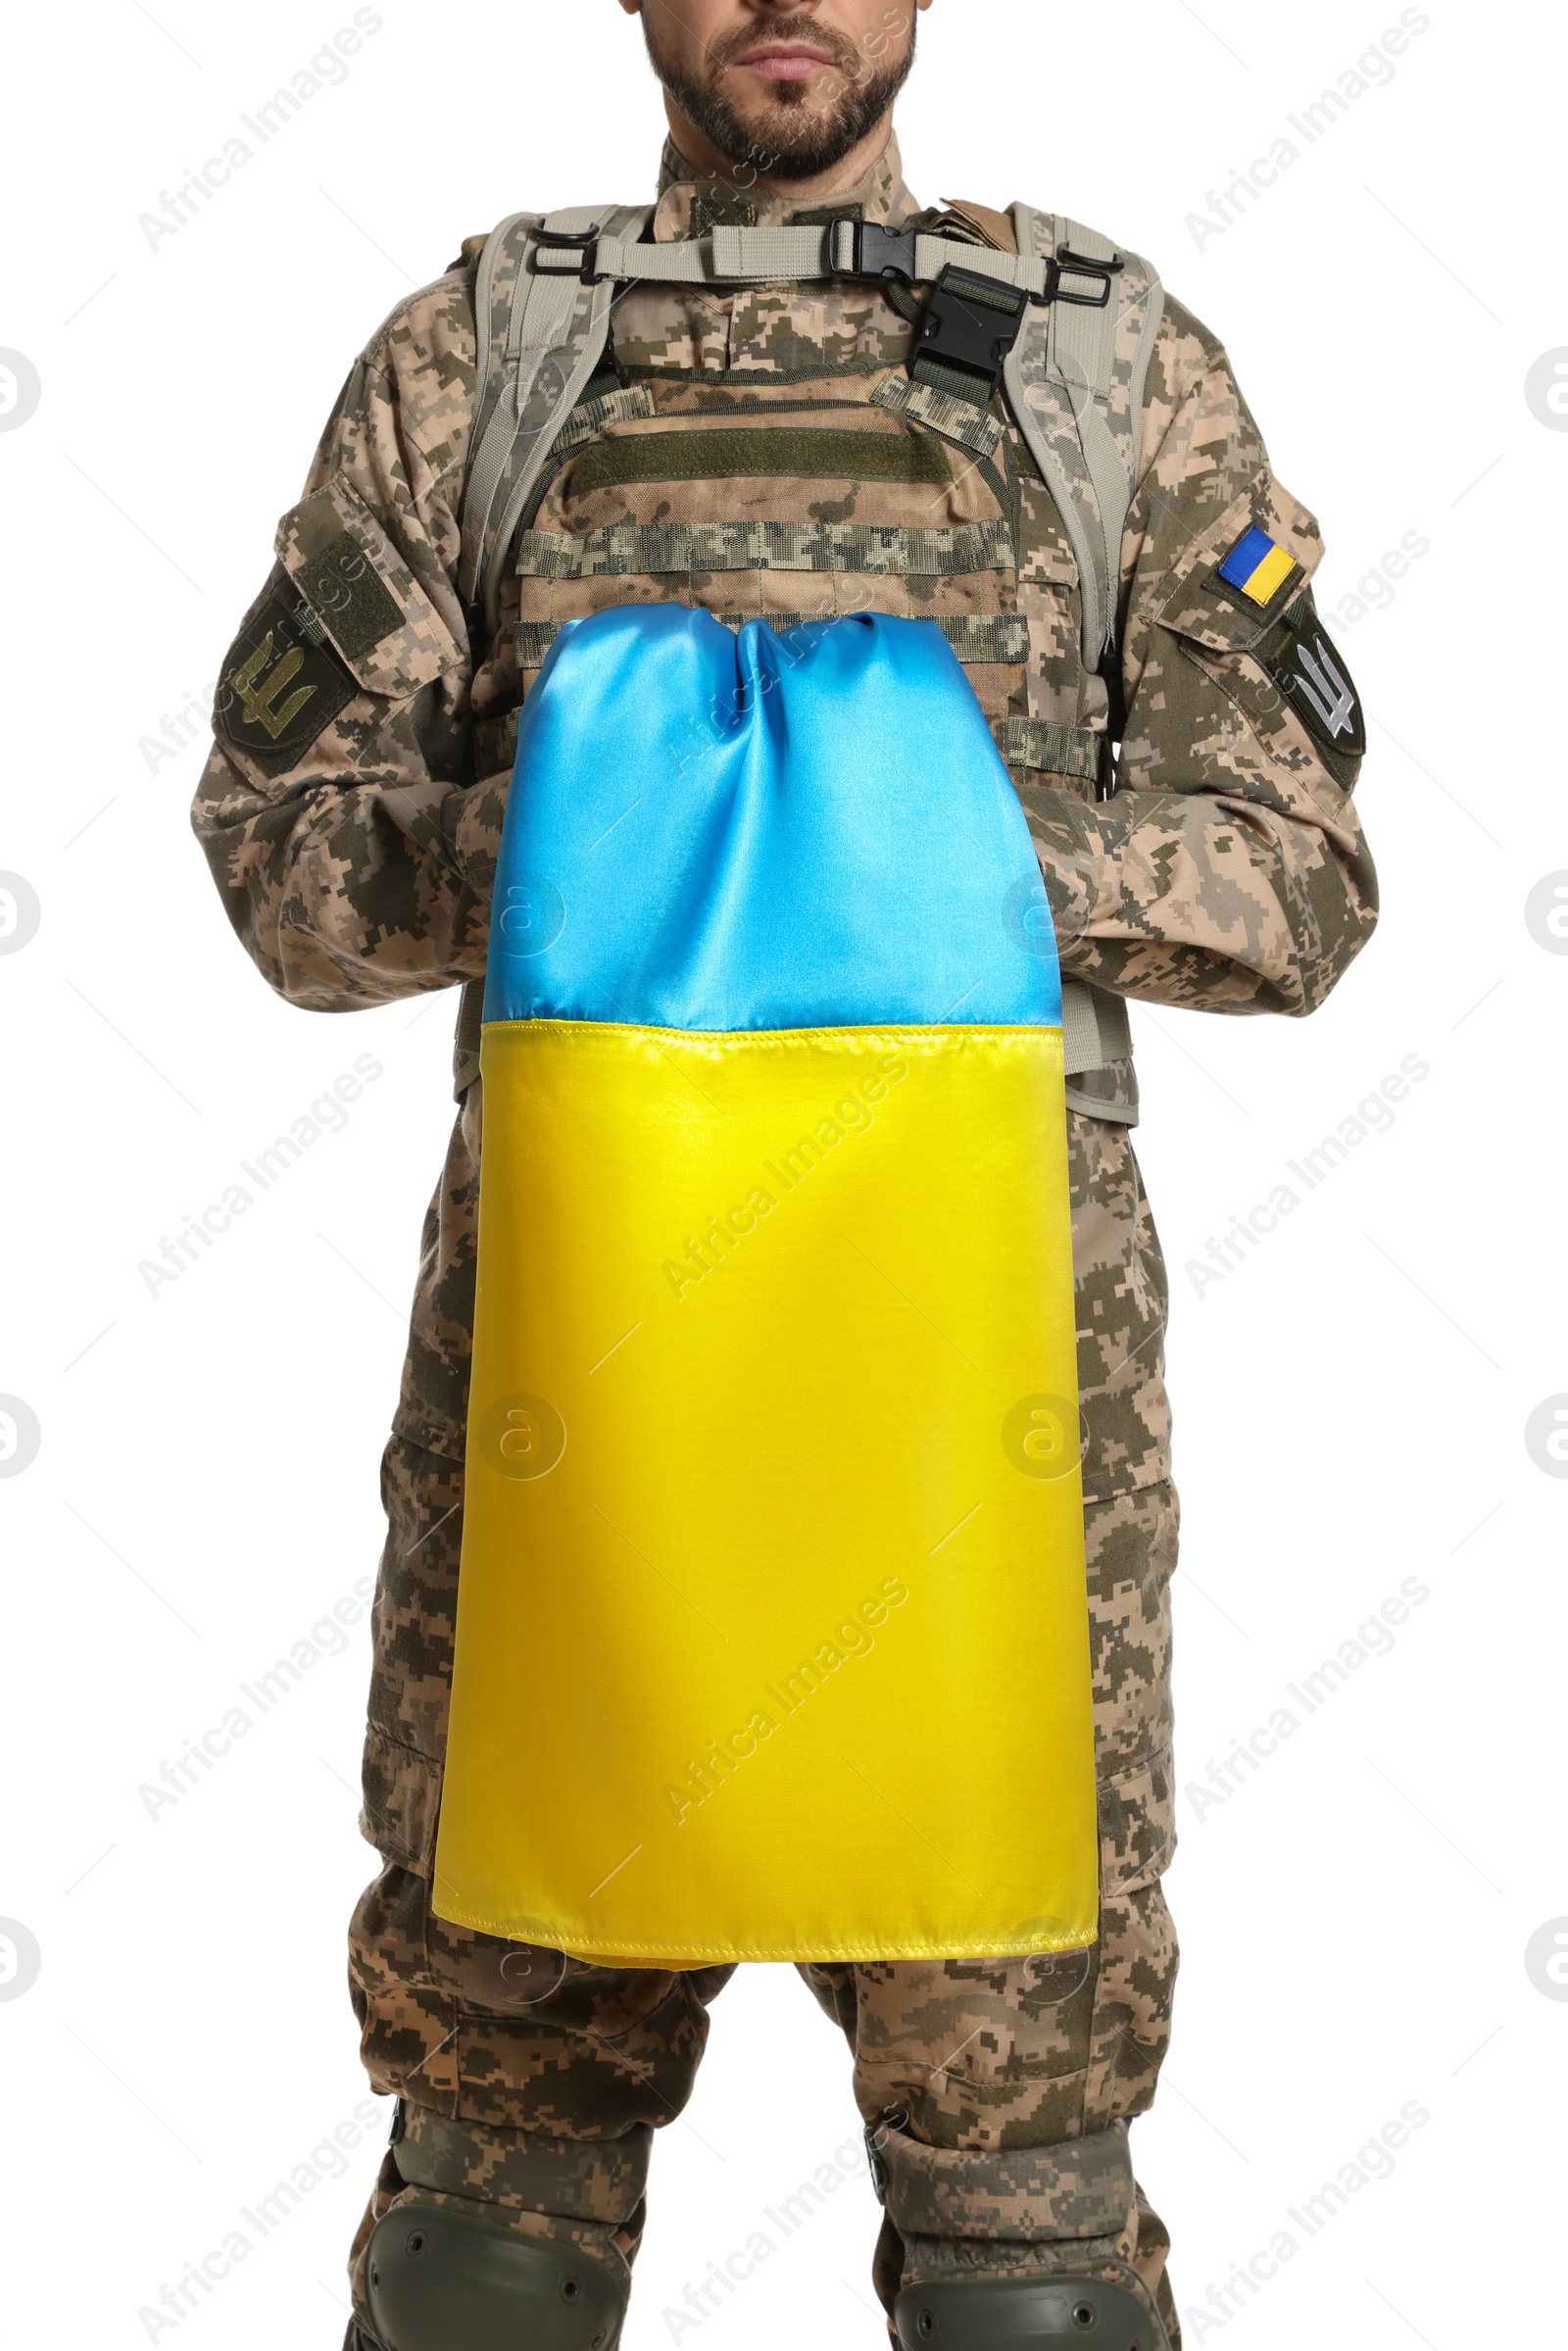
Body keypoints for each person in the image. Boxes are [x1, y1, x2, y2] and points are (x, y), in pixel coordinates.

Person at [191, 5, 1378, 2345]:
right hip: (573, 1400)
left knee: (1019, 2206)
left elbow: (1294, 881)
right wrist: (611, 825)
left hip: (983, 1407)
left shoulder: (1106, 364)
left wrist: (845, 820)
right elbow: (290, 876)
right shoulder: (478, 359)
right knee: (488, 2184)